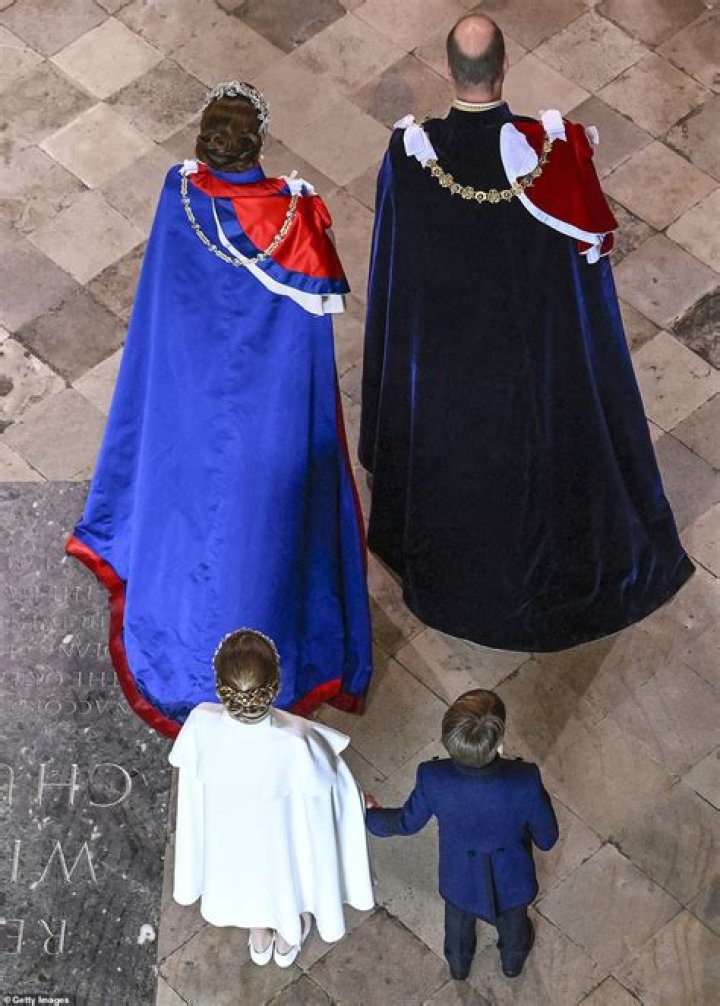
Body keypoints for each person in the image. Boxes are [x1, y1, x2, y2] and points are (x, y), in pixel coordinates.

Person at [359, 14, 694, 652]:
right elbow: (586, 288)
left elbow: (394, 270)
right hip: (539, 370)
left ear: (449, 70)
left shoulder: (410, 159)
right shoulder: (555, 158)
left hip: (450, 373)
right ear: (504, 68)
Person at [66, 81, 373, 737]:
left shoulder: (178, 196)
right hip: (267, 411)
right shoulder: (295, 220)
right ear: (257, 143)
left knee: (187, 515)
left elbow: (168, 299)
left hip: (190, 393)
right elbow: (306, 346)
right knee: (262, 528)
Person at [169, 628, 375, 966]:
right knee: (287, 870)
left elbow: (193, 788)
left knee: (248, 872)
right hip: (282, 833)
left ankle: (259, 937)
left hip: (231, 833)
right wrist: (357, 803)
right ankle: (287, 939)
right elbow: (329, 792)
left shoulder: (200, 725)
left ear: (221, 688)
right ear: (275, 685)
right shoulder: (297, 740)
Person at [365, 689, 558, 980]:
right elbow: (547, 839)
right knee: (514, 924)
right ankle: (512, 963)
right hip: (511, 879)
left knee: (457, 924)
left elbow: (406, 823)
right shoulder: (525, 780)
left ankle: (458, 965)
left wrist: (369, 816)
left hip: (459, 876)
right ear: (498, 738)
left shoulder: (432, 777)